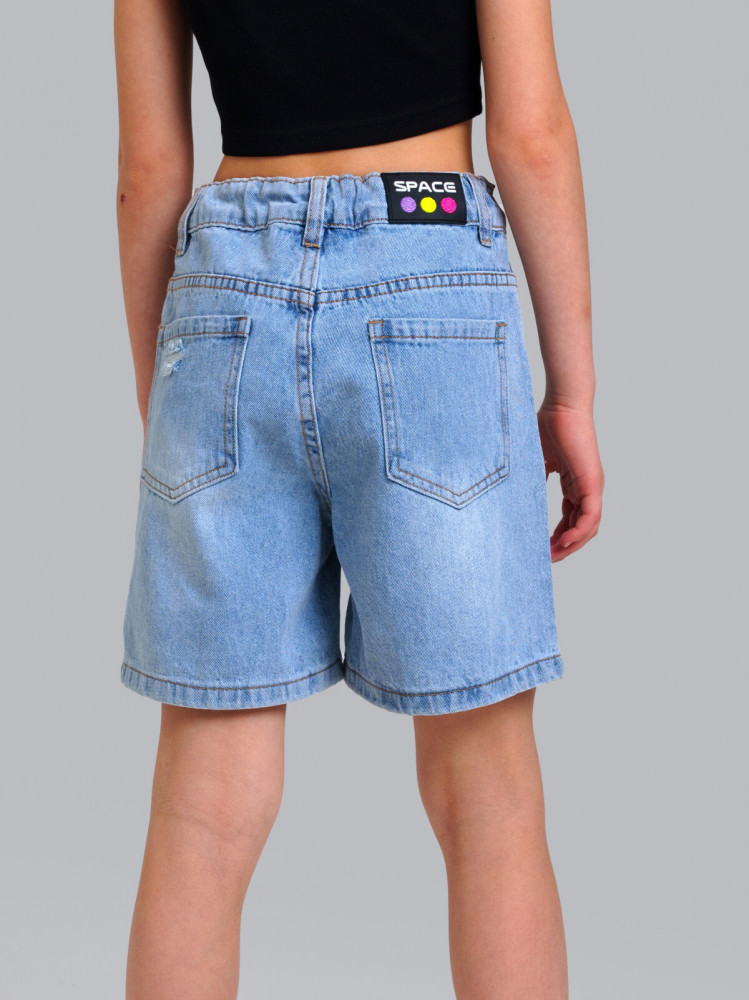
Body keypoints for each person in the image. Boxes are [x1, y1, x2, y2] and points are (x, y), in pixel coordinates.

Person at [114, 0, 604, 996]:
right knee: (487, 794)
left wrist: (167, 390)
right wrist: (572, 394)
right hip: (427, 270)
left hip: (226, 293)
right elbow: (531, 135)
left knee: (203, 808)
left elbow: (149, 173)